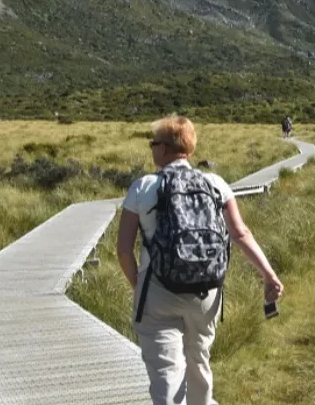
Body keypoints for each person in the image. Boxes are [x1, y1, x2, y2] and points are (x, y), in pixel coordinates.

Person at [117, 115, 284, 405]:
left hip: (157, 291)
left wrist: (139, 284)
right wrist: (269, 275)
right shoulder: (216, 183)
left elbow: (123, 249)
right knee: (199, 366)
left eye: (153, 143)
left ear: (165, 149)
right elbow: (240, 233)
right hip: (206, 292)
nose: (151, 148)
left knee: (166, 373)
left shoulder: (142, 188)